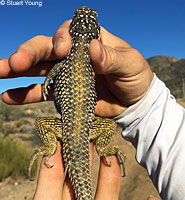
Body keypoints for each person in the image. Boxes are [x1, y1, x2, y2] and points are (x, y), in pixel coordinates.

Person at [0, 20, 184, 200]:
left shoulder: (73, 59)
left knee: (42, 122)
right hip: (85, 130)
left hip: (67, 128)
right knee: (107, 127)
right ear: (94, 32)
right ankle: (102, 147)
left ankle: (51, 146)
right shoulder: (88, 61)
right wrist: (144, 105)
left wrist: (50, 77)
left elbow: (57, 68)